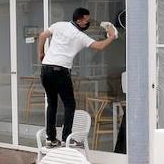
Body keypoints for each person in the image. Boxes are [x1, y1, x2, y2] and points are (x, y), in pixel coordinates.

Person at [37, 8, 118, 146]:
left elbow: (42, 36)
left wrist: (41, 53)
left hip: (45, 69)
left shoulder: (59, 25)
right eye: (86, 20)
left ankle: (51, 138)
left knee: (52, 103)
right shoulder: (79, 36)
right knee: (69, 104)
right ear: (79, 20)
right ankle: (66, 139)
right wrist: (111, 37)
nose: (88, 22)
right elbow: (99, 46)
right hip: (60, 71)